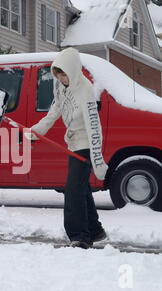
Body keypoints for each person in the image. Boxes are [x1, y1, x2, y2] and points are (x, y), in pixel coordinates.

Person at [28, 48, 109, 249]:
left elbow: (94, 124)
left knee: (73, 191)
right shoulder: (62, 89)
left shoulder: (85, 90)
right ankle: (95, 230)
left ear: (73, 70)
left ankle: (80, 237)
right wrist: (35, 131)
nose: (62, 78)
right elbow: (53, 112)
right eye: (58, 74)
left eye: (64, 73)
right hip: (73, 143)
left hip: (86, 145)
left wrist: (96, 157)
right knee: (80, 188)